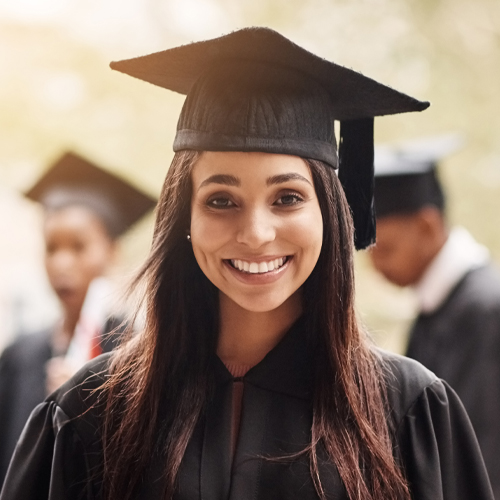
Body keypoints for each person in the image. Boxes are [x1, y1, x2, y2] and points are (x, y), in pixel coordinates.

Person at [0, 28, 494, 500]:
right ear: (184, 216)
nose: (256, 233)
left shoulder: (407, 412)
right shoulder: (92, 413)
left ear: (329, 213)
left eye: (287, 197)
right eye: (220, 200)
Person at [0, 151, 156, 488]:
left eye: (79, 246)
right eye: (52, 247)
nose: (62, 263)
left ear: (112, 251)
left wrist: (84, 404)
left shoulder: (137, 353)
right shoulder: (20, 354)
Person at [370, 134, 500, 498]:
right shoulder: (440, 306)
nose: (375, 266)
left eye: (386, 249)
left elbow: (480, 448)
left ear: (427, 226)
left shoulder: (484, 310)